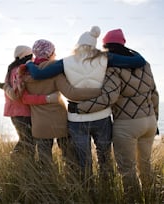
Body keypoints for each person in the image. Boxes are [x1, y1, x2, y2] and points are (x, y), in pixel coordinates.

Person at [25, 26, 148, 182]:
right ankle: (107, 189)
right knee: (104, 157)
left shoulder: (66, 62)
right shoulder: (105, 58)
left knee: (84, 161)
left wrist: (29, 64)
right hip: (102, 116)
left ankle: (88, 191)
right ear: (94, 45)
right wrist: (130, 50)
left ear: (78, 45)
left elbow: (38, 74)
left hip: (77, 119)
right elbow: (139, 61)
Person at [69, 28, 159, 203]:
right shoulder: (144, 64)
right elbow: (154, 94)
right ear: (123, 43)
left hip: (127, 124)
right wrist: (155, 118)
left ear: (106, 46)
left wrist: (80, 108)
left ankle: (133, 200)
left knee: (127, 169)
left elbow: (110, 97)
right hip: (149, 122)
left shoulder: (112, 67)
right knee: (146, 165)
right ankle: (150, 198)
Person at [2, 45, 35, 162]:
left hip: (14, 111)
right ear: (25, 55)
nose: (33, 58)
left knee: (25, 139)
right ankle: (17, 162)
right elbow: (16, 93)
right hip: (22, 111)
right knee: (28, 141)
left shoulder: (11, 70)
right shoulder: (20, 70)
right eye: (31, 55)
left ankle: (20, 164)